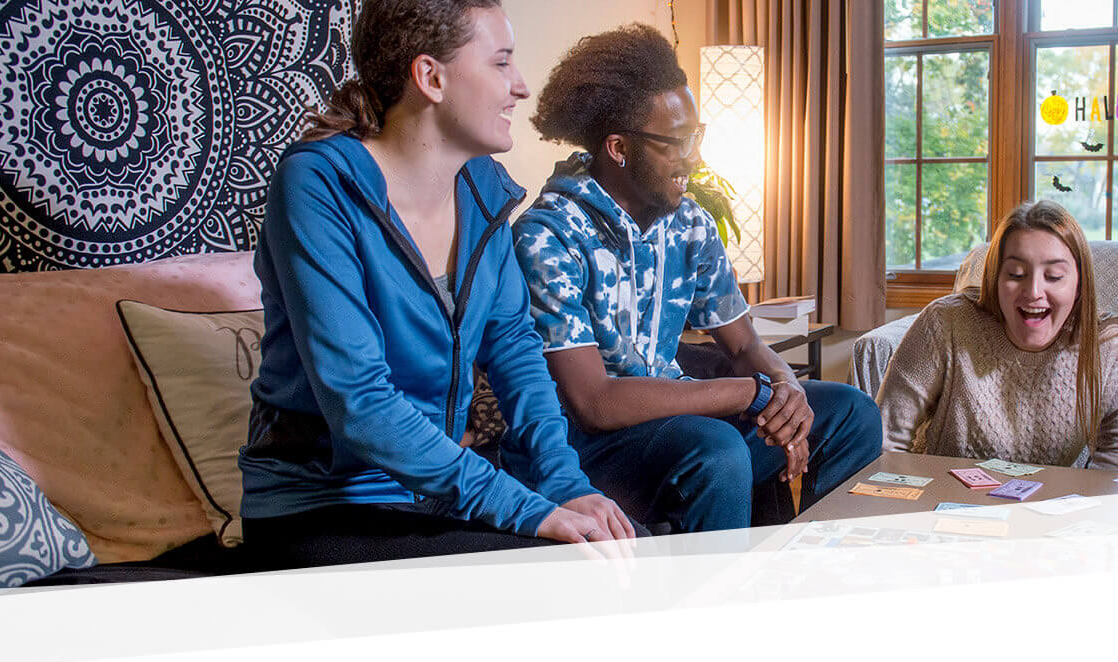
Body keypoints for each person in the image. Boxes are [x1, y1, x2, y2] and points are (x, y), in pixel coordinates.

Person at [237, 0, 635, 569]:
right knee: (570, 572)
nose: (520, 86)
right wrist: (525, 509)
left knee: (638, 554)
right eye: (501, 63)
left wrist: (565, 485)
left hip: (431, 501)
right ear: (431, 77)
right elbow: (360, 402)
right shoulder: (319, 184)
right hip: (315, 509)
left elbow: (517, 353)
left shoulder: (483, 189)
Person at [509, 24, 880, 533]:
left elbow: (745, 343)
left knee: (850, 412)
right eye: (678, 142)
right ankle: (710, 607)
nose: (695, 157)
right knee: (717, 449)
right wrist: (745, 394)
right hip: (588, 445)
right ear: (618, 148)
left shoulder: (690, 223)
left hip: (675, 421)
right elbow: (593, 402)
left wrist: (787, 389)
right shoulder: (547, 236)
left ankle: (808, 570)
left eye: (695, 137)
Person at [878, 200, 1118, 472]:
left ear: (1079, 286)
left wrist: (1080, 506)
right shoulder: (945, 323)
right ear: (995, 279)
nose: (1034, 291)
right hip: (940, 498)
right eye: (1016, 274)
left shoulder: (1111, 345)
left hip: (1050, 508)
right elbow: (887, 439)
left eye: (1054, 276)